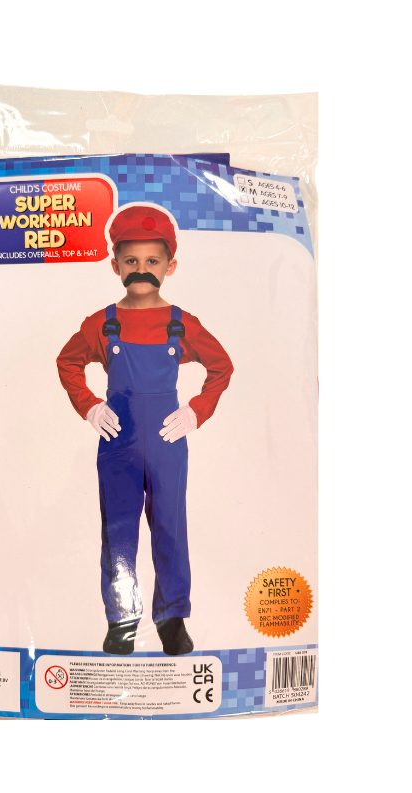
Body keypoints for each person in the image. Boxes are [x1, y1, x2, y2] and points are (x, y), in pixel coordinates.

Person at [56, 205, 234, 655]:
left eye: (152, 261)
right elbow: (67, 362)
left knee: (170, 526)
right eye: (131, 260)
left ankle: (172, 619)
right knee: (119, 531)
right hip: (117, 438)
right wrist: (90, 407)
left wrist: (196, 412)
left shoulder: (181, 323)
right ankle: (121, 621)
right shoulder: (101, 323)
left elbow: (222, 366)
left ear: (170, 266)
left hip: (168, 439)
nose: (141, 269)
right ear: (114, 264)